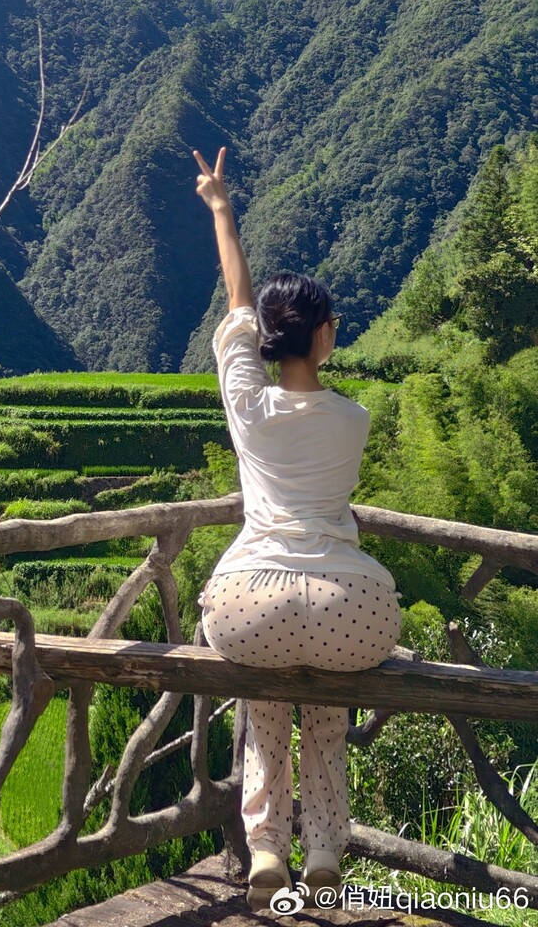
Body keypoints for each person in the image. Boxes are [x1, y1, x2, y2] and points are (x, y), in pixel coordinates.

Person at [192, 147, 402, 912]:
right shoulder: (354, 419)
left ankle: (266, 849)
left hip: (252, 605)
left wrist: (221, 209)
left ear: (269, 341)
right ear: (323, 336)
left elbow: (238, 308)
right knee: (325, 718)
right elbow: (254, 319)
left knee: (265, 707)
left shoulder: (248, 406)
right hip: (351, 608)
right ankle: (324, 851)